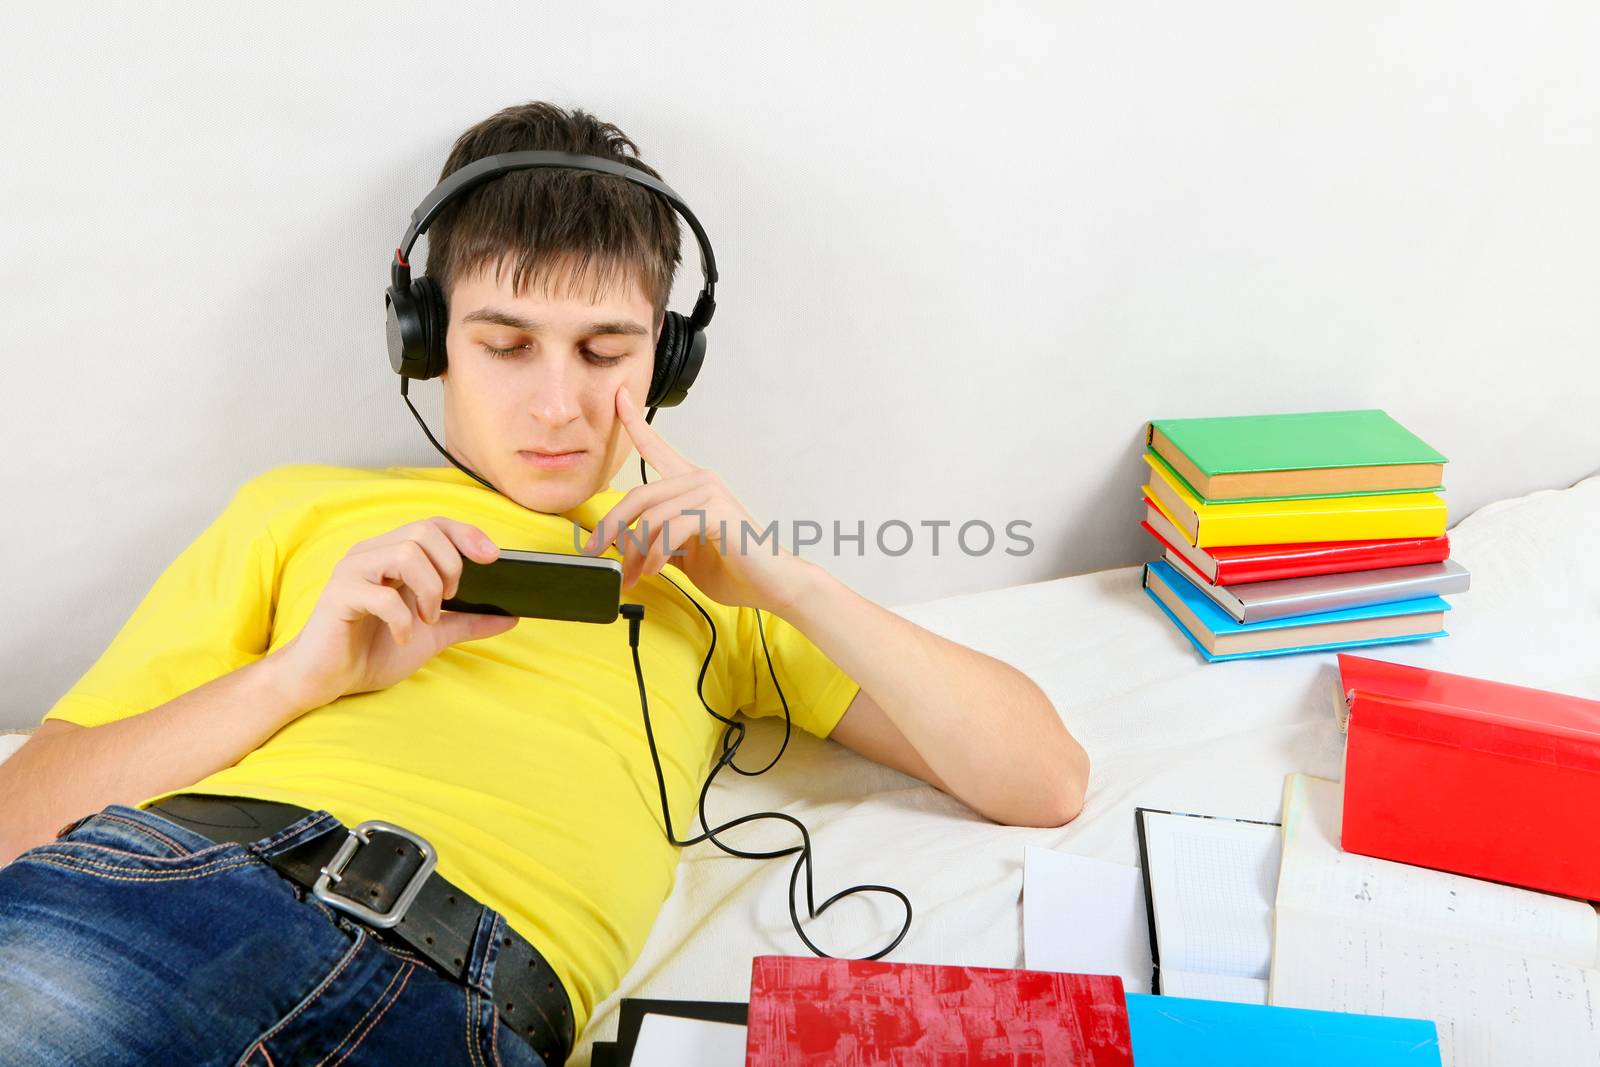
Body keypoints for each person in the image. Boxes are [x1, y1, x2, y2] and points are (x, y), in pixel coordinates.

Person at [0, 100, 1090, 1066]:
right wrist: (301, 674)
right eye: (508, 345)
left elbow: (1043, 779)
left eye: (604, 350)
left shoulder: (718, 590)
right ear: (427, 342)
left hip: (479, 1005)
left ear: (665, 359)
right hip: (183, 890)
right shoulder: (301, 508)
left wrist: (790, 584)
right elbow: (23, 813)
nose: (558, 405)